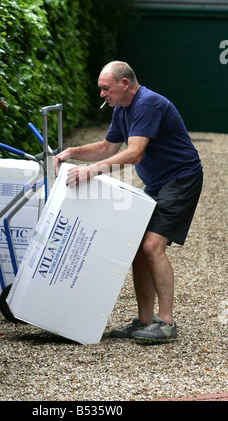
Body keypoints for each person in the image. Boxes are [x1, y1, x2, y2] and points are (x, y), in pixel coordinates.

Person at [55, 61, 203, 342]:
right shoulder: (122, 109)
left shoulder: (147, 104)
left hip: (181, 179)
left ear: (125, 84)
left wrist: (90, 172)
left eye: (105, 88)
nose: (102, 94)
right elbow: (106, 148)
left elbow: (134, 153)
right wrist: (70, 152)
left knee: (151, 245)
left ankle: (167, 322)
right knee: (136, 247)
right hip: (158, 183)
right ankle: (145, 320)